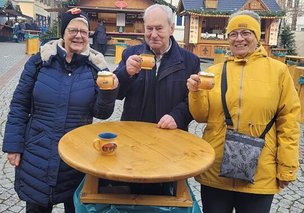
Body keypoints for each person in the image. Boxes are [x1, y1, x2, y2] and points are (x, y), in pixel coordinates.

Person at [2, 7, 119, 213]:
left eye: (83, 32)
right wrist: (14, 145)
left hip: (77, 155)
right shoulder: (39, 62)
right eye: (73, 30)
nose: (78, 36)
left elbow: (101, 113)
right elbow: (20, 104)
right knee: (37, 206)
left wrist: (109, 92)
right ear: (63, 33)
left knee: (75, 206)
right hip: (37, 149)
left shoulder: (97, 69)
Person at [187, 10, 301, 213]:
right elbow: (201, 116)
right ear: (228, 38)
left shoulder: (278, 72)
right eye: (233, 33)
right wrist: (195, 93)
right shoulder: (214, 72)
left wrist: (287, 168)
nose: (239, 38)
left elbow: (289, 122)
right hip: (217, 171)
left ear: (257, 37)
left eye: (246, 32)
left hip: (260, 172)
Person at [113, 4, 200, 194]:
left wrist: (177, 116)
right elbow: (116, 93)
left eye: (159, 28)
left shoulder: (189, 61)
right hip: (133, 141)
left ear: (171, 28)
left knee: (166, 193)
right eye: (149, 28)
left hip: (170, 141)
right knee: (132, 194)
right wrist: (125, 73)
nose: (153, 34)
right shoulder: (130, 54)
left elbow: (193, 101)